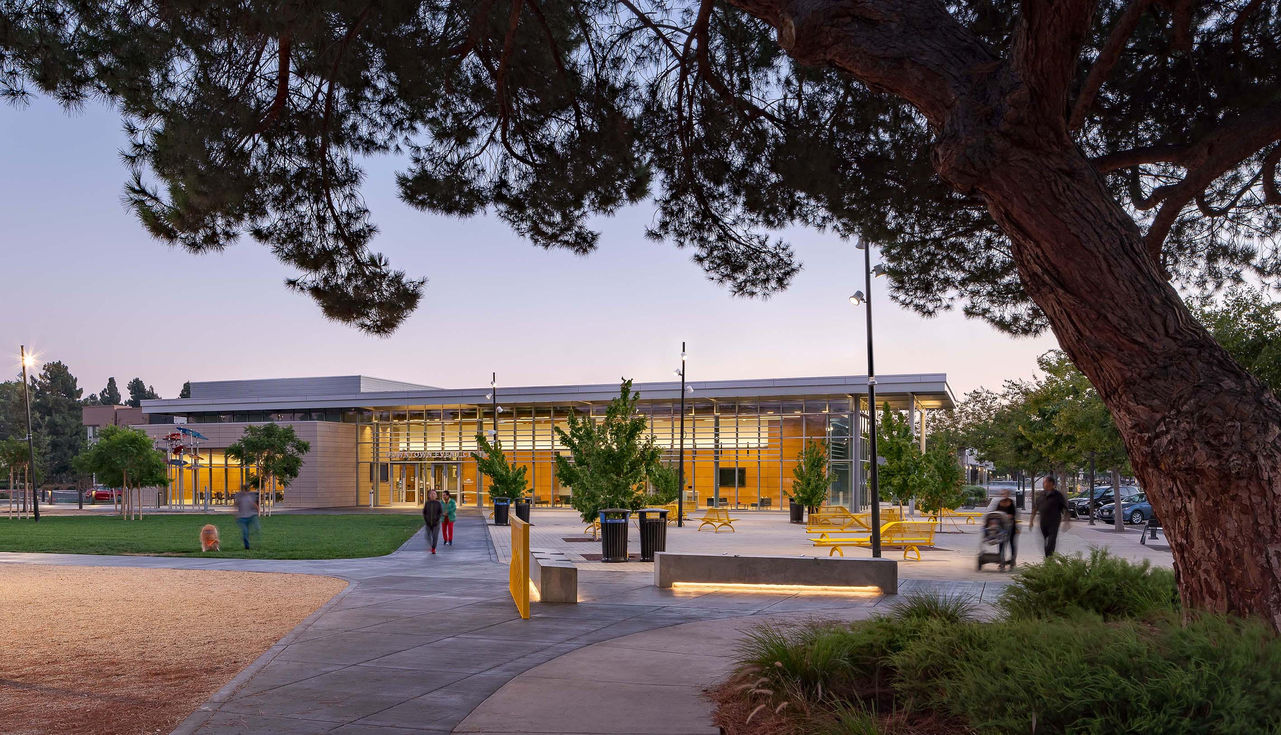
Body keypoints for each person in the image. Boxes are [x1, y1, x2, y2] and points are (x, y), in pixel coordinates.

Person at [1029, 475, 1069, 557]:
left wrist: (1067, 521)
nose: (1044, 484)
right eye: (1044, 482)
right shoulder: (1041, 495)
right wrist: (1031, 521)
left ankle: (1049, 558)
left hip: (1054, 522)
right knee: (1045, 540)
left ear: (1051, 483)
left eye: (1045, 482)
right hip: (1043, 522)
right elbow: (1035, 508)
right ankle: (1048, 557)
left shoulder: (1058, 495)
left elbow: (1065, 508)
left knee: (1051, 540)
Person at [991, 488, 1019, 568]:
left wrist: (1007, 516)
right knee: (1001, 544)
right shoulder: (1000, 503)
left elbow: (1013, 514)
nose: (1004, 495)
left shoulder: (1011, 503)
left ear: (1008, 494)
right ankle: (1001, 561)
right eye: (1003, 494)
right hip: (1001, 528)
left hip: (1011, 527)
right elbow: (996, 513)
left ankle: (1013, 560)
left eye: (1006, 494)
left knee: (1011, 544)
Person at [233, 486, 261, 550]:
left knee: (257, 528)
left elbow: (255, 505)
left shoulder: (250, 497)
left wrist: (258, 511)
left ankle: (253, 539)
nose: (244, 492)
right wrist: (235, 514)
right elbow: (235, 506)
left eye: (245, 491)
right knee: (245, 532)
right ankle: (247, 546)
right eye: (243, 491)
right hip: (242, 518)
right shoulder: (239, 498)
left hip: (251, 516)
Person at [422, 489, 444, 554]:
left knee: (435, 536)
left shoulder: (438, 503)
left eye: (434, 494)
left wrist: (437, 519)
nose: (432, 495)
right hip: (428, 523)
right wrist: (426, 519)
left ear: (436, 496)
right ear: (429, 495)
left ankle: (433, 548)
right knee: (427, 536)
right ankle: (431, 546)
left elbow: (440, 512)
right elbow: (424, 512)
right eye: (431, 494)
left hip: (436, 524)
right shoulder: (427, 503)